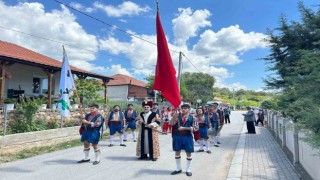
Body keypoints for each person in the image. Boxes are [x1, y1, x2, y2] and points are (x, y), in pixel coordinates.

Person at [170, 104, 199, 177]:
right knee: (177, 151)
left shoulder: (193, 117)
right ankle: (178, 168)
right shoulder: (177, 116)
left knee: (188, 152)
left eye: (185, 108)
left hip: (187, 136)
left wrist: (185, 128)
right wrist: (174, 118)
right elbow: (171, 124)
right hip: (177, 136)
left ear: (189, 109)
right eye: (182, 108)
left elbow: (196, 128)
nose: (183, 110)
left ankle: (188, 169)